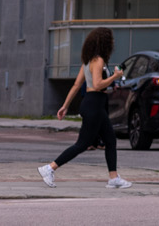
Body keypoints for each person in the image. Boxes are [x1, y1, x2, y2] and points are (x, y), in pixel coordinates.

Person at [40, 28, 130, 189]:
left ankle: (113, 177)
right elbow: (97, 85)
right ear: (104, 42)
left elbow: (76, 85)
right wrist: (114, 77)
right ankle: (50, 168)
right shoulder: (98, 60)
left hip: (94, 103)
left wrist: (65, 106)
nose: (113, 43)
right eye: (111, 40)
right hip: (94, 104)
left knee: (110, 140)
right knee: (82, 143)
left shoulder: (88, 61)